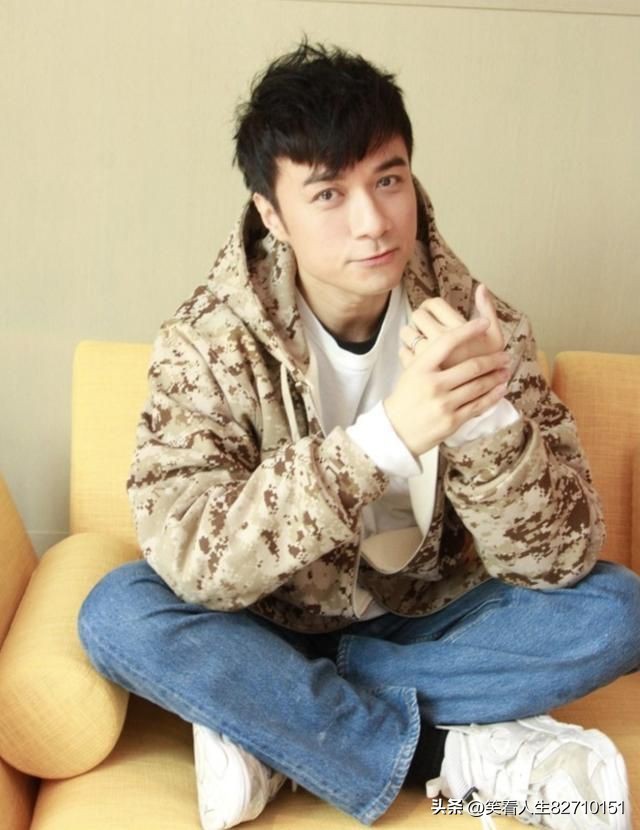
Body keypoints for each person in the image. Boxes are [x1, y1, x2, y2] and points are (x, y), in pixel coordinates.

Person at [77, 40, 640, 830]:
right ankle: (449, 756)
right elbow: (192, 555)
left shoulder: (480, 324)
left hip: (428, 620)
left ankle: (279, 728)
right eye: (328, 194)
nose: (373, 222)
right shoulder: (206, 344)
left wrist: (483, 417)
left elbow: (558, 562)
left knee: (619, 610)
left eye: (388, 180)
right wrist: (383, 441)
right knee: (117, 614)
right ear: (272, 215)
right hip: (265, 626)